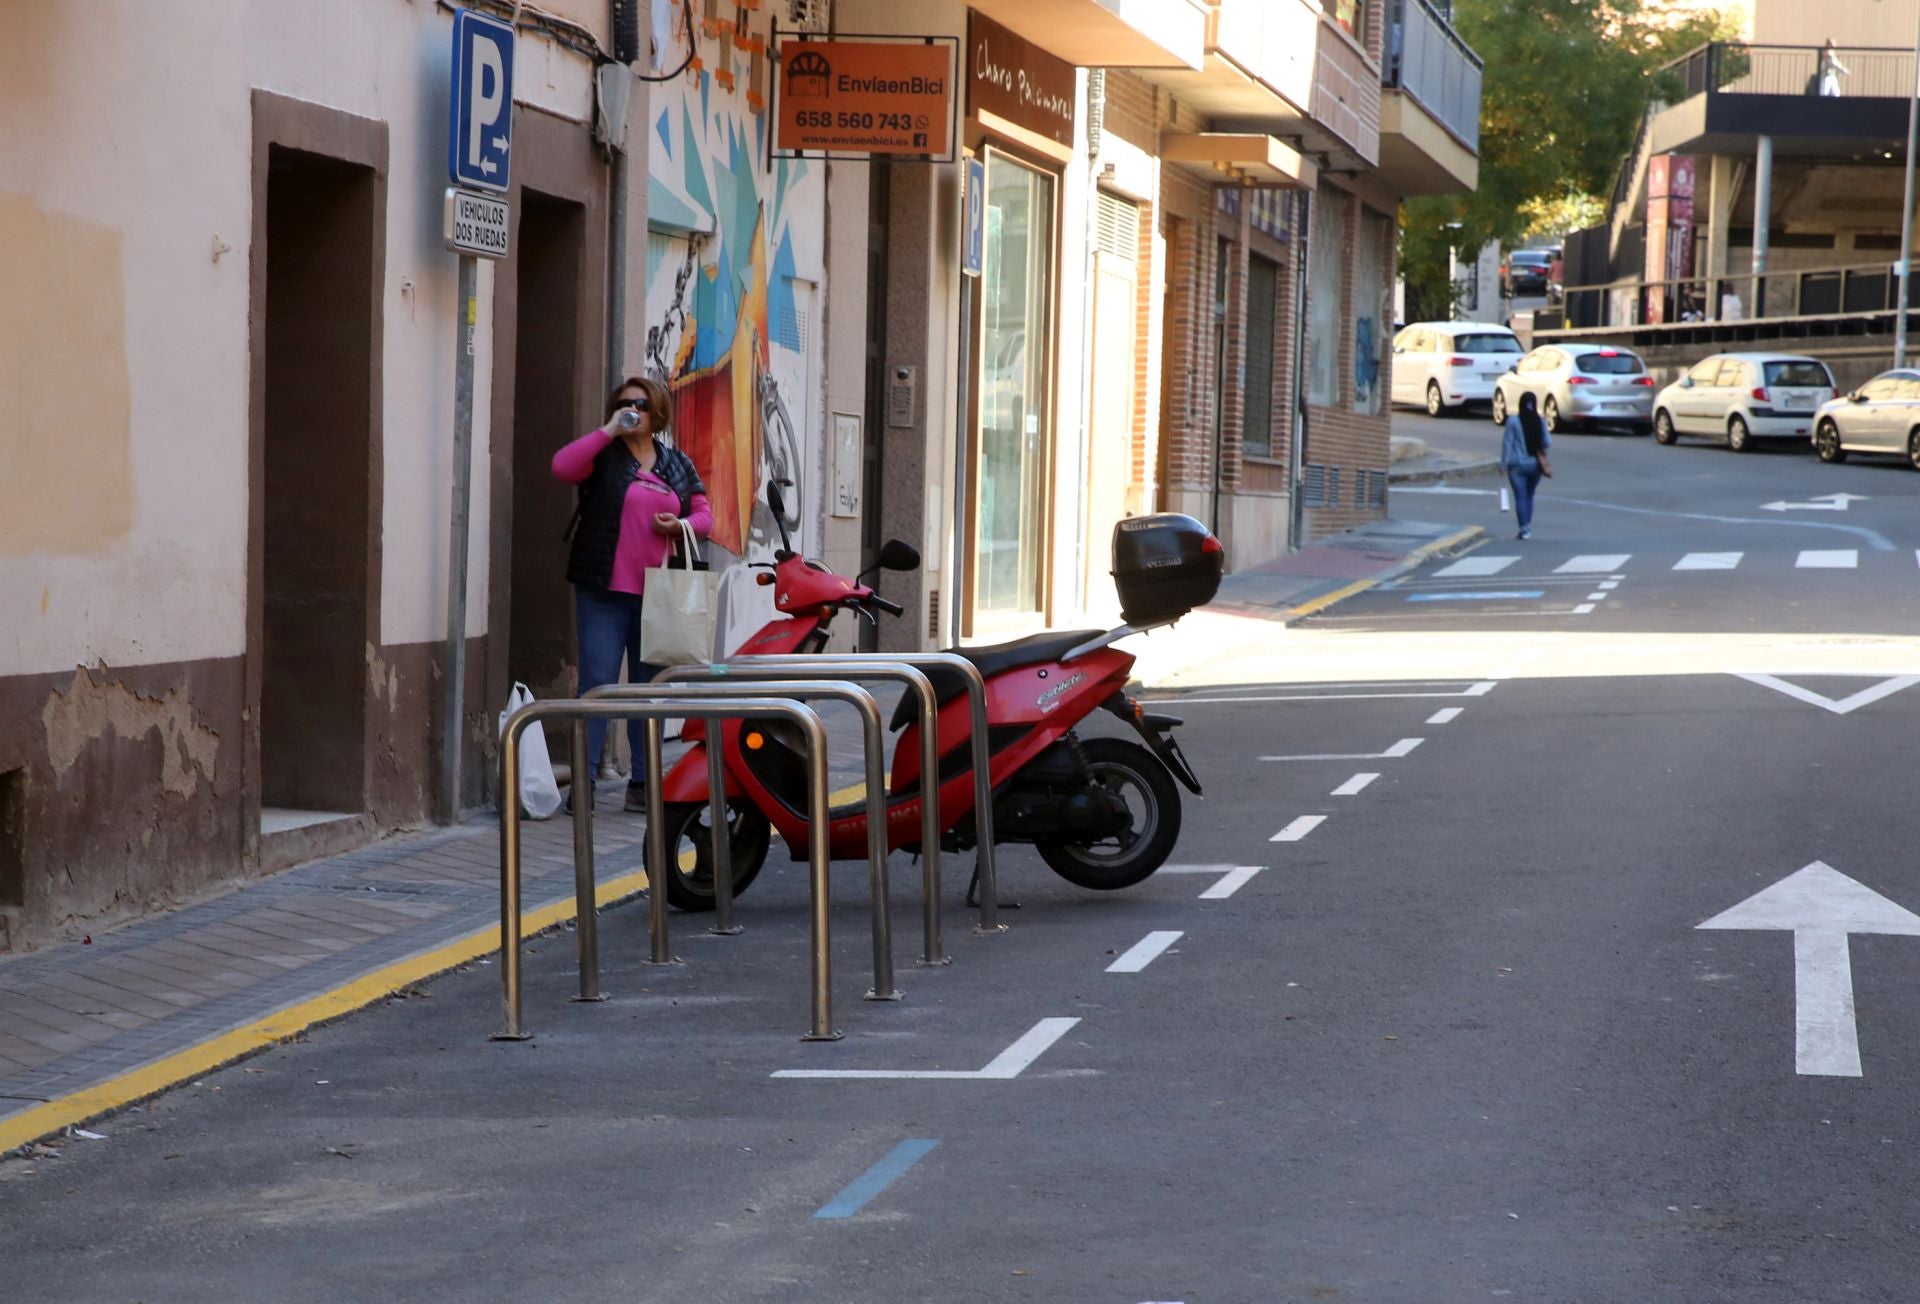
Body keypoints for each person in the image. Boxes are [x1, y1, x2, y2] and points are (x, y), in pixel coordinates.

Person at [551, 376, 711, 812]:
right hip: (603, 591)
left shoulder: (677, 464)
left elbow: (704, 516)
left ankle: (641, 784)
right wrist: (608, 430)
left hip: (658, 597)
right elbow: (562, 467)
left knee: (648, 690)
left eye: (640, 404)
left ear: (657, 411)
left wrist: (678, 527)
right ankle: (583, 786)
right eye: (624, 404)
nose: (633, 410)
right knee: (598, 686)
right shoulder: (604, 455)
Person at [1500, 390, 1553, 540]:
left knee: (1520, 497)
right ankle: (1528, 526)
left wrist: (1503, 464)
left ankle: (1523, 529)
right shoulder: (1540, 421)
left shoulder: (1513, 421)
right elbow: (1548, 442)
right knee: (1529, 496)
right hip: (1535, 465)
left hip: (1516, 465)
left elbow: (1508, 443)